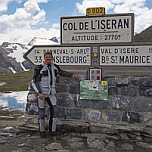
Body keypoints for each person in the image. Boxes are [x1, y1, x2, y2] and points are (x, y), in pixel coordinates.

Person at [31, 51, 78, 138]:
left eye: (50, 57)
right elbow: (34, 82)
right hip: (42, 94)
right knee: (41, 113)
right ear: (44, 58)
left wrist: (71, 75)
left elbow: (61, 72)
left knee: (55, 110)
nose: (48, 58)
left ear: (52, 58)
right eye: (47, 57)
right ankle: (41, 131)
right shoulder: (39, 68)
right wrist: (39, 93)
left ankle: (52, 130)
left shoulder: (54, 67)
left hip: (51, 93)